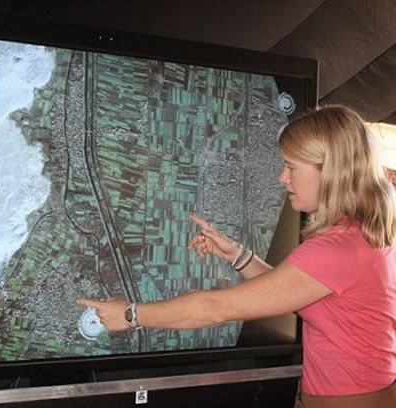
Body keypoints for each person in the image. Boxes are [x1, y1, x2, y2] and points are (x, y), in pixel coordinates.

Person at [78, 105, 396, 407]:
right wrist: (238, 256)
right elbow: (293, 292)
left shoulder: (335, 250)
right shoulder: (360, 234)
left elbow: (214, 309)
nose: (283, 178)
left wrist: (131, 315)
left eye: (291, 167)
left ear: (330, 172)